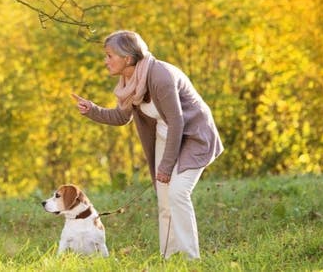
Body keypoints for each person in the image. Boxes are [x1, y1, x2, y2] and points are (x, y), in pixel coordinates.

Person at [71, 30, 223, 260]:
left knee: (178, 192)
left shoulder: (159, 76)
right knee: (164, 200)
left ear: (128, 59)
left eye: (109, 55)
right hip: (167, 135)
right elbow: (122, 117)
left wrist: (166, 166)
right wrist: (92, 110)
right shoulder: (130, 81)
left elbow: (177, 121)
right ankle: (170, 256)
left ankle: (191, 259)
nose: (105, 61)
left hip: (193, 135)